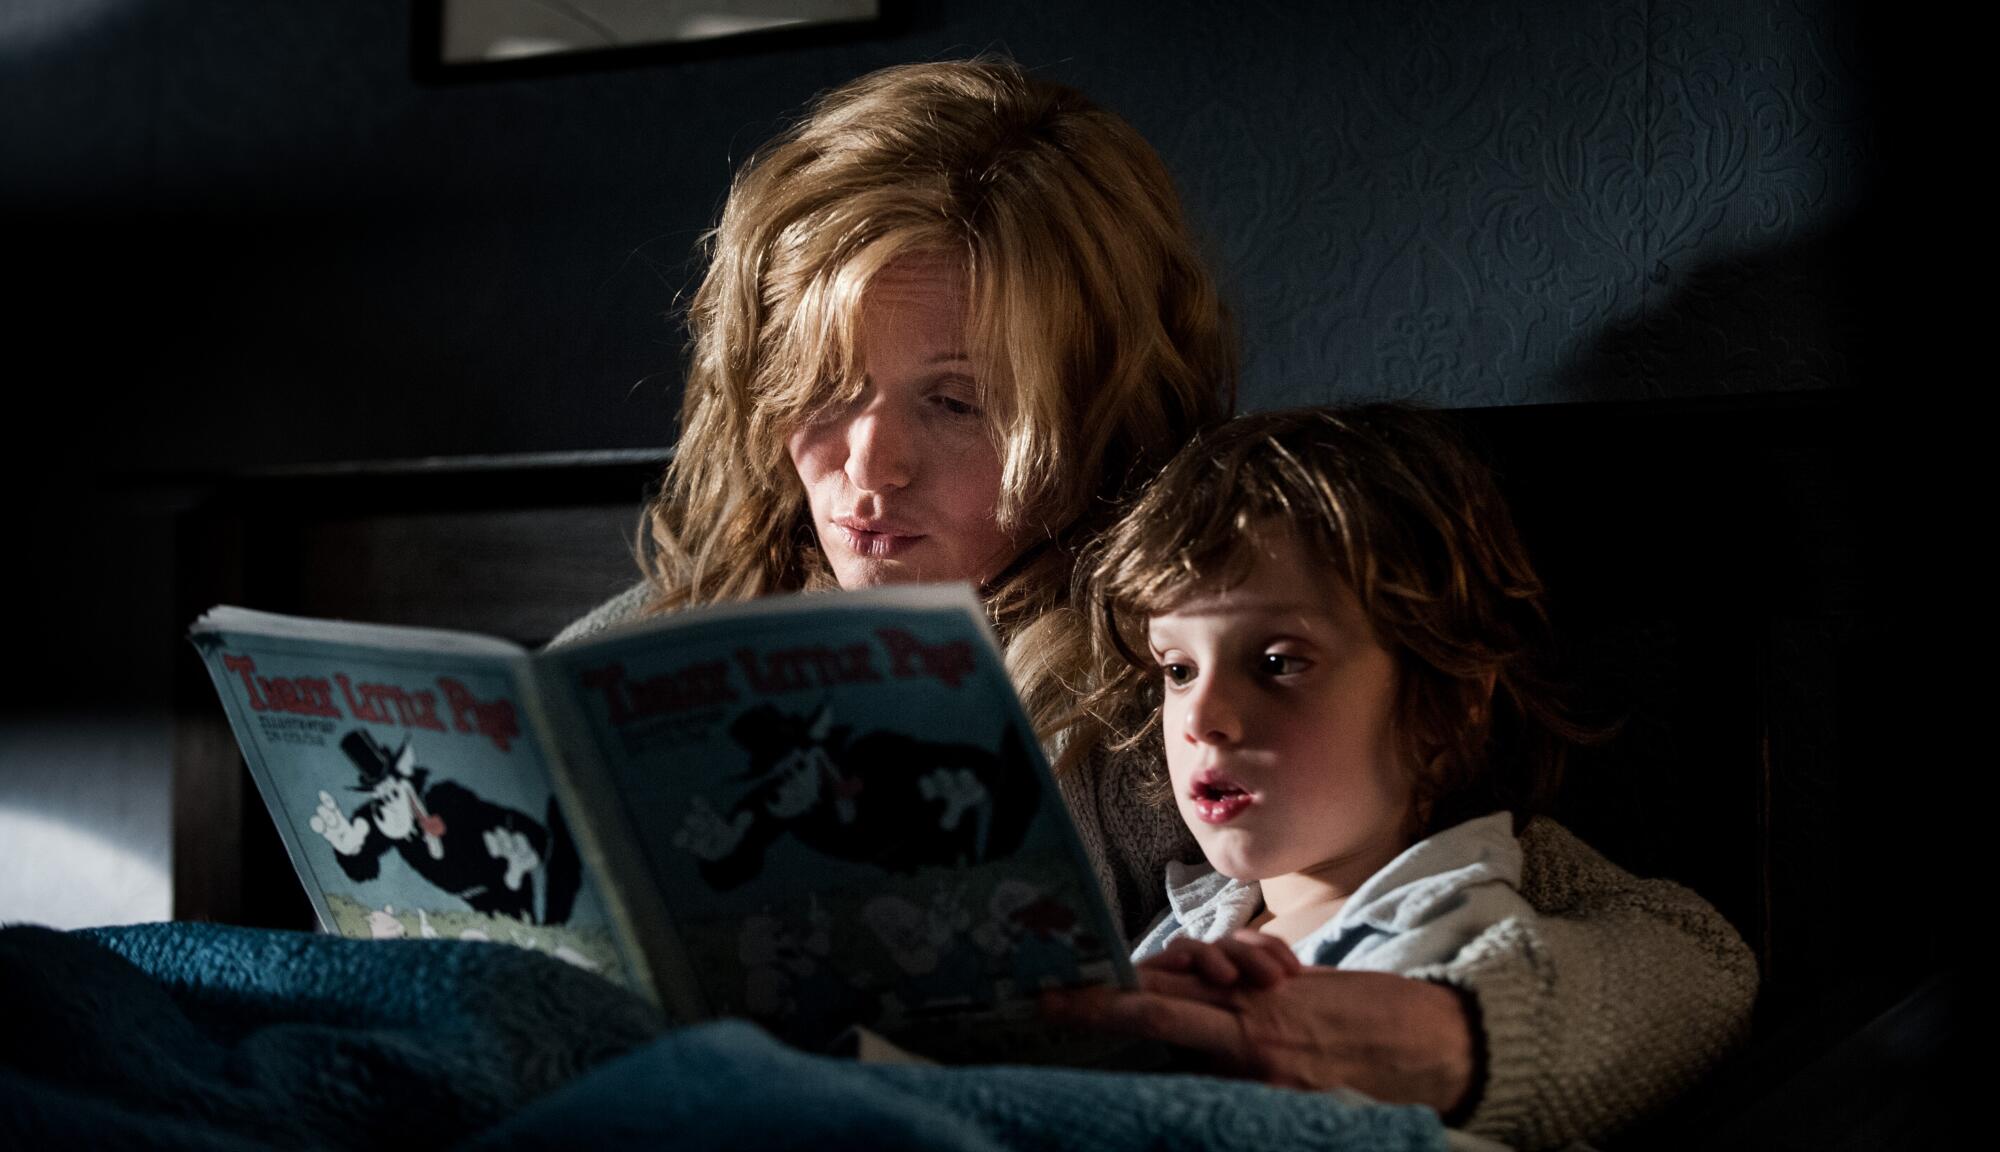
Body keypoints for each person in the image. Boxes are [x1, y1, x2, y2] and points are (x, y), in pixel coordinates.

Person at [552, 57, 1758, 1150]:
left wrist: (1451, 1045)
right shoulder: (651, 637)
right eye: (823, 387)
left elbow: (1683, 958)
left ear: (1096, 411)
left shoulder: (1166, 677)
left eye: (957, 404)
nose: (869, 470)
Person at [1074, 406, 1596, 1069]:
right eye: (1178, 669)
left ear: (1445, 707)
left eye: (1277, 664)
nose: (1201, 717)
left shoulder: (1460, 950)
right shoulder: (1192, 919)